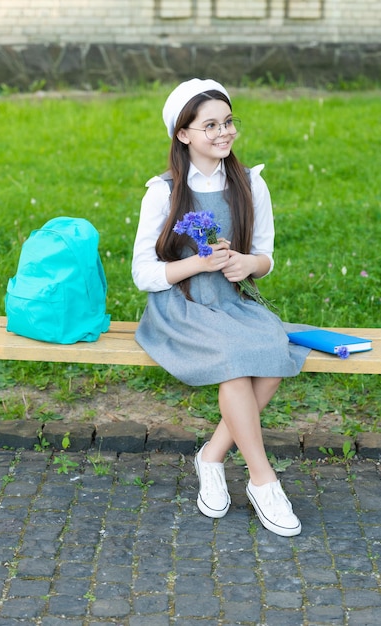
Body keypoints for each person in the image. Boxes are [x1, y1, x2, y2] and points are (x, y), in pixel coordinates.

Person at [132, 78, 310, 537]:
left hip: (231, 300)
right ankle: (262, 479)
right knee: (234, 362)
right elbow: (143, 274)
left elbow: (266, 257)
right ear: (184, 134)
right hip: (182, 307)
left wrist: (245, 262)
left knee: (274, 355)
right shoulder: (163, 192)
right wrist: (197, 262)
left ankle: (211, 457)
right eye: (209, 125)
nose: (224, 132)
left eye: (228, 121)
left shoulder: (251, 183)